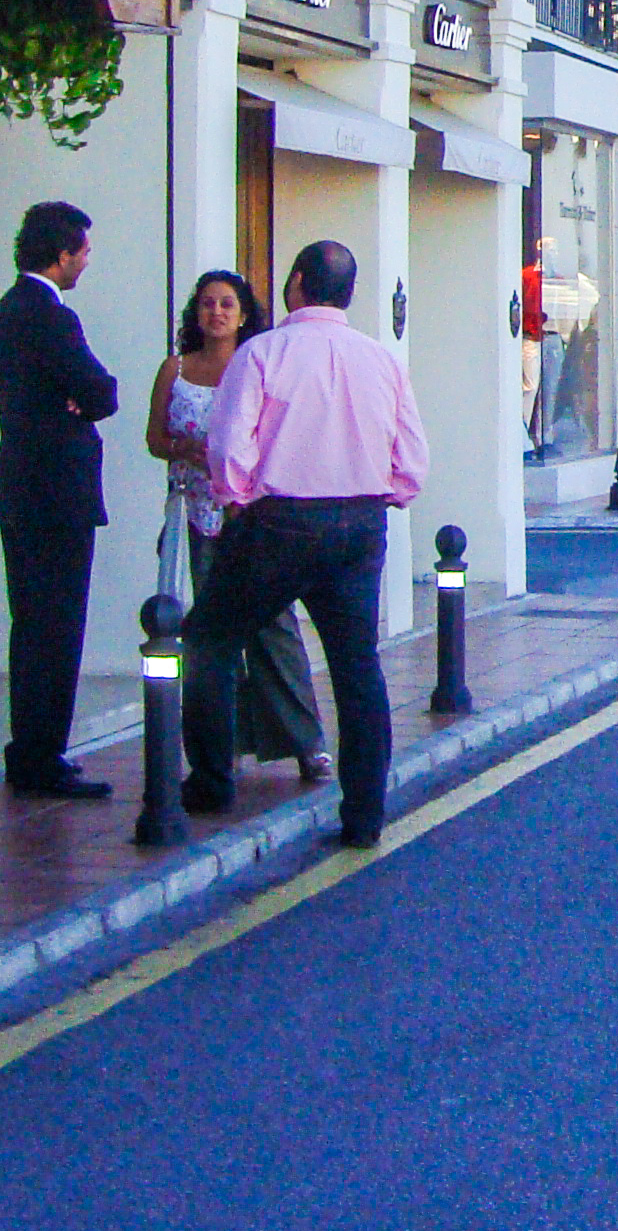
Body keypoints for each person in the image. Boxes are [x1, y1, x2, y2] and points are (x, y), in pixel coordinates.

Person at [184, 240, 425, 845]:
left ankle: (212, 780)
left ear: (296, 283)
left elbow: (229, 445)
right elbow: (413, 461)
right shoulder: (381, 358)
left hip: (281, 517)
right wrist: (382, 493)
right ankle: (365, 813)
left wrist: (235, 495)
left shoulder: (263, 352)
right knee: (356, 665)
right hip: (361, 521)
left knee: (210, 638)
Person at [145, 270, 330, 784]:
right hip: (193, 514)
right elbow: (155, 438)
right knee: (204, 633)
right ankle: (215, 747)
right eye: (208, 304)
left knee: (274, 626)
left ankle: (305, 741)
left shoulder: (259, 365)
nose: (217, 313)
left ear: (244, 315)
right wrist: (189, 451)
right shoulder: (175, 368)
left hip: (250, 515)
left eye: (227, 304)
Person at [0, 201, 118, 800]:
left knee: (29, 620)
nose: (87, 262)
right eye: (84, 252)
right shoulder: (51, 317)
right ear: (62, 254)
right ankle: (45, 753)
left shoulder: (5, 311)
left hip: (18, 481)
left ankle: (30, 747)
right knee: (59, 623)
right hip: (58, 490)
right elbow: (101, 389)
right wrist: (84, 400)